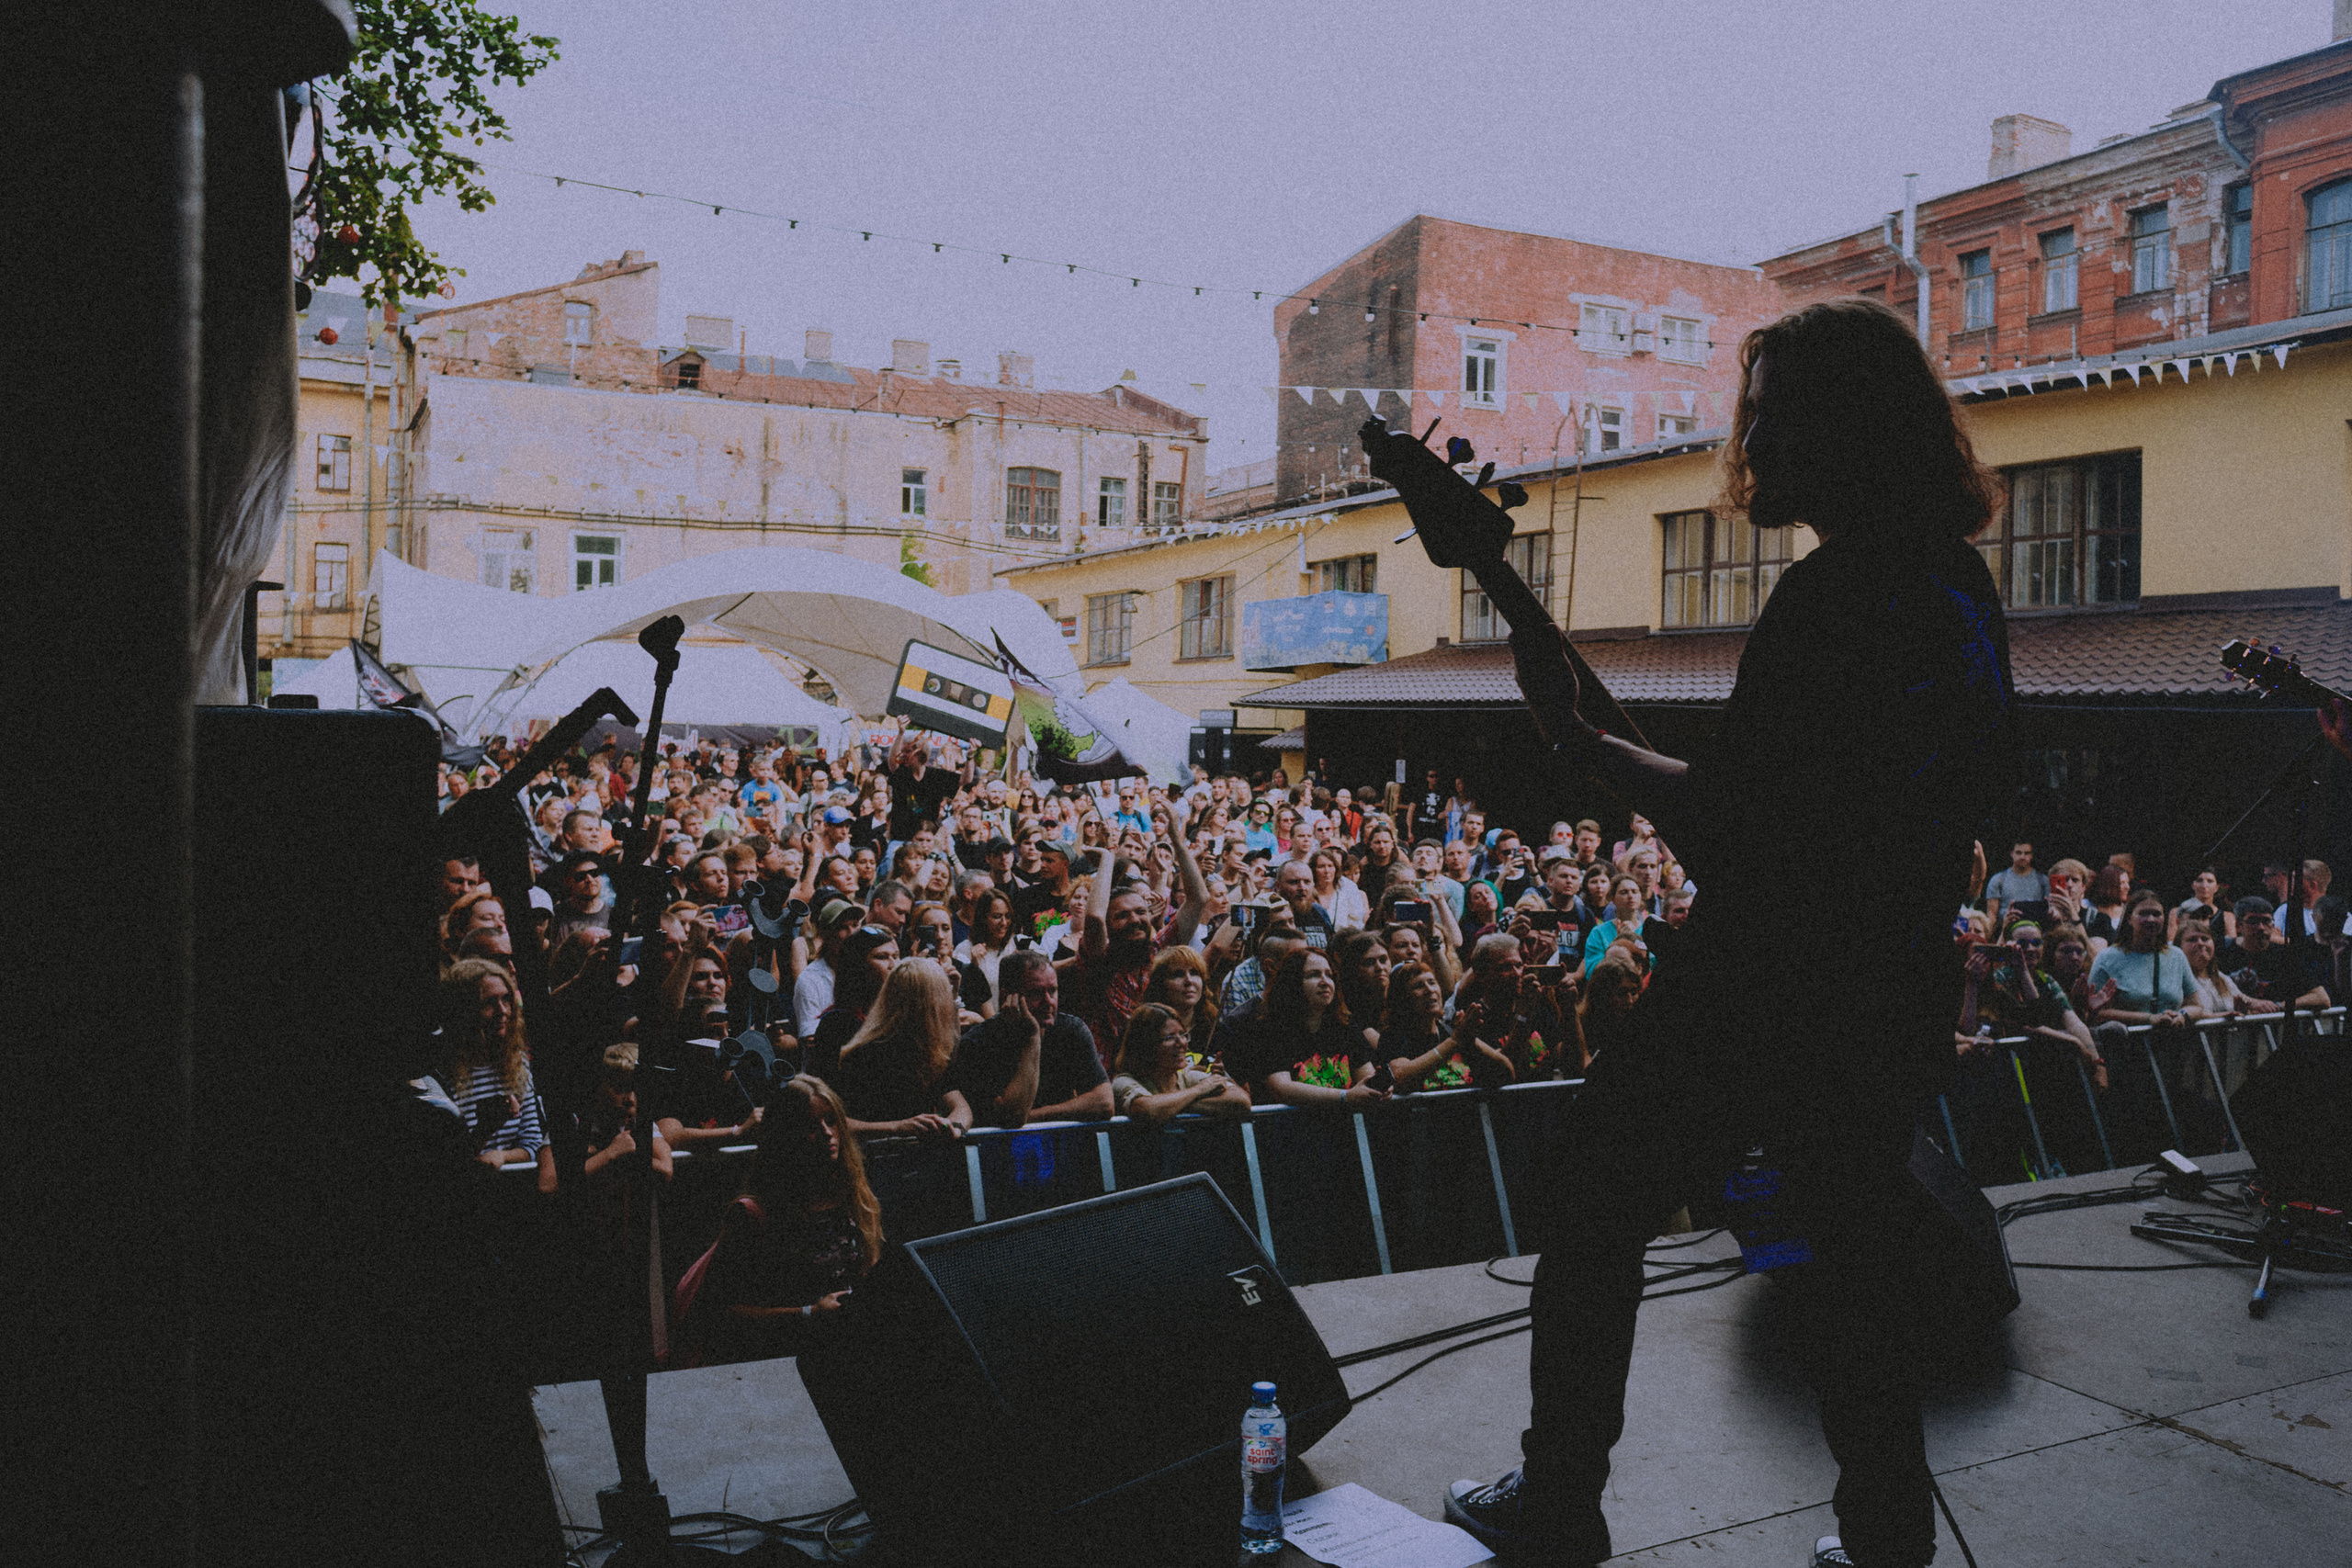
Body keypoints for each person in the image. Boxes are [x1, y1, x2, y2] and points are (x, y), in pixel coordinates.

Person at [1412, 297, 2016, 1568]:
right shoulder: (1956, 582)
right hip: (1892, 974)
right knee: (1853, 1254)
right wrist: (1610, 746)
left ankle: (1561, 1498)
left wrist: (1586, 747)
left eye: (1775, 415)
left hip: (1767, 980)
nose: (1756, 441)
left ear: (1840, 430)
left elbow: (1737, 819)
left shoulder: (1832, 591)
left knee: (1593, 1192)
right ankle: (1888, 1535)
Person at [668, 1074, 881, 1370]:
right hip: (783, 1366)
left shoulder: (856, 1200)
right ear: (785, 1136)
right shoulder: (754, 1214)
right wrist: (808, 1313)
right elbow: (720, 1313)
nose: (826, 1133)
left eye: (831, 1120)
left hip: (850, 1355)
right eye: (810, 1125)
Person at [946, 949, 1111, 1128]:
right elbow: (1013, 1116)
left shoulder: (1072, 1031)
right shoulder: (977, 1044)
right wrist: (1032, 1039)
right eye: (1036, 993)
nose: (1048, 1001)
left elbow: (1104, 1102)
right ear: (1006, 997)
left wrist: (1031, 1117)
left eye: (1053, 991)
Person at [434, 959, 557, 1194]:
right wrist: (485, 1130)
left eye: (506, 999)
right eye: (489, 1003)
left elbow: (531, 1143)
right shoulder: (442, 1073)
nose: (503, 1011)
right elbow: (445, 1164)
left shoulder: (516, 1062)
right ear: (463, 1010)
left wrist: (502, 1155)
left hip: (512, 1190)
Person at [831, 959, 974, 1141]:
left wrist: (953, 1128)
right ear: (926, 1004)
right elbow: (835, 1122)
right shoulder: (863, 1054)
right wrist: (896, 1127)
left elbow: (961, 1108)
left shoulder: (929, 1052)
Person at [1229, 949, 1387, 1110]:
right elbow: (1280, 1088)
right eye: (1313, 975)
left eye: (1329, 975)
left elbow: (1366, 1075)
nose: (1325, 981)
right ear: (1293, 982)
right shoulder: (1269, 1027)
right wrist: (1344, 1096)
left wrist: (1377, 1088)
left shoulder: (1344, 1023)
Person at [1378, 961, 1513, 1090]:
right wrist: (1454, 1042)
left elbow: (1506, 1073)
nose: (1429, 990)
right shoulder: (1393, 1036)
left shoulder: (1449, 1030)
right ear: (1402, 999)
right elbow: (1400, 1077)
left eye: (1432, 982)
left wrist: (1471, 1042)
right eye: (1418, 986)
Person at [1110, 1003, 1251, 1122]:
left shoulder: (1186, 1076)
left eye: (1183, 1035)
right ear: (1146, 1046)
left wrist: (1175, 1106)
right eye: (1170, 1037)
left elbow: (1241, 1101)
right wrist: (1199, 1090)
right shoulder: (1123, 1081)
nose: (1182, 1043)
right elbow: (1146, 1109)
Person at [2087, 889, 2192, 1032]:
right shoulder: (2107, 958)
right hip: (2126, 1045)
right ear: (2129, 919)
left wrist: (2182, 1015)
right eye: (2143, 914)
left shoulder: (2177, 956)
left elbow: (2195, 1004)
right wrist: (2148, 1019)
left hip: (2171, 1044)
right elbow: (2095, 1011)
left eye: (2156, 914)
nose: (2151, 919)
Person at [1981, 840, 2048, 928]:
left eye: (2027, 853)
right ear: (2012, 854)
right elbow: (1992, 916)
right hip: (2006, 930)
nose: (2022, 857)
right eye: (2018, 853)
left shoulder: (2043, 880)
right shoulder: (1998, 880)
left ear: (2031, 856)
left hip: (2035, 931)